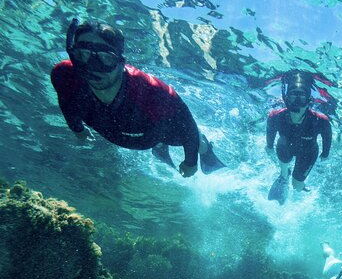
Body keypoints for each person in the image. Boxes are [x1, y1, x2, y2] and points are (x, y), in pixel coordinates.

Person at [50, 18, 225, 178]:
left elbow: (187, 125)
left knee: (187, 138)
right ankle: (159, 147)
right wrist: (77, 128)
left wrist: (191, 162)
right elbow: (66, 102)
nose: (92, 67)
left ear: (121, 61)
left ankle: (206, 151)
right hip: (129, 130)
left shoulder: (152, 92)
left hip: (156, 131)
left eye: (105, 59)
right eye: (82, 55)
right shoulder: (64, 75)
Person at [265, 70, 332, 203]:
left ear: (309, 100)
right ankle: (284, 176)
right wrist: (269, 146)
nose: (297, 104)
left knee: (297, 185)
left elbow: (327, 137)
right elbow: (270, 132)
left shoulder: (320, 120)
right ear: (286, 99)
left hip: (308, 153)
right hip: (284, 147)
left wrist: (325, 153)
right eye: (293, 96)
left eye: (301, 97)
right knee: (284, 169)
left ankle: (299, 184)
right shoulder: (275, 116)